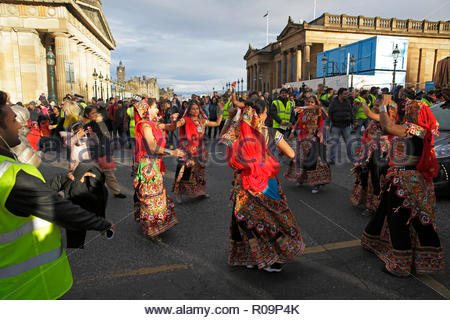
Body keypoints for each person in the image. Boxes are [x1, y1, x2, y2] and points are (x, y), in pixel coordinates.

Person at [0, 90, 114, 299]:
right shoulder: (10, 175)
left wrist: (61, 180)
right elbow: (57, 209)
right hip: (26, 289)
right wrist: (100, 223)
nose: (20, 125)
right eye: (12, 119)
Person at [223, 84, 305, 272]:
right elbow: (291, 154)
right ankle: (273, 258)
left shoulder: (238, 132)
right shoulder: (271, 133)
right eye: (266, 112)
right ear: (259, 115)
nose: (267, 115)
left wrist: (229, 120)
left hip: (244, 184)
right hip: (267, 184)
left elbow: (224, 140)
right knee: (271, 221)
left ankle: (253, 257)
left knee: (247, 221)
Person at [361, 95, 444, 276]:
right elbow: (389, 126)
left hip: (408, 182)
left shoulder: (416, 129)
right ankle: (378, 244)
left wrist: (383, 107)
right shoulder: (414, 128)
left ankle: (401, 265)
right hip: (402, 179)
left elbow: (388, 126)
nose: (408, 112)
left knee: (400, 220)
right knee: (394, 215)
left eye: (411, 110)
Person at [133, 98, 185, 238]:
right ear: (146, 110)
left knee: (156, 194)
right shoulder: (145, 126)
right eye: (155, 107)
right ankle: (150, 227)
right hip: (148, 166)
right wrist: (172, 152)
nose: (158, 110)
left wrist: (175, 120)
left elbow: (170, 127)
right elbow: (152, 147)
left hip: (154, 164)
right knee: (151, 196)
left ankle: (155, 225)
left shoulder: (153, 124)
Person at [350, 95, 397, 216]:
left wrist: (363, 104)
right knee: (366, 175)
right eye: (375, 105)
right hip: (370, 149)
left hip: (381, 150)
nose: (375, 107)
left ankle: (376, 206)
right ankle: (368, 203)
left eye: (378, 105)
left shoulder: (386, 116)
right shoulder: (378, 116)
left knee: (376, 177)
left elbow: (368, 113)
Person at [171, 101, 224, 202]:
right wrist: (174, 120)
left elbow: (217, 123)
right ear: (189, 111)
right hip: (187, 150)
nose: (195, 111)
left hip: (200, 151)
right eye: (193, 109)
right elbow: (175, 126)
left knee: (199, 173)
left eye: (197, 108)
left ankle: (200, 191)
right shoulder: (185, 120)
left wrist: (221, 111)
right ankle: (178, 193)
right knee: (183, 171)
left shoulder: (202, 121)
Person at [285, 97, 331, 193]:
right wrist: (293, 132)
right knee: (300, 159)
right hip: (302, 139)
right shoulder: (304, 112)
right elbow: (298, 122)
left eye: (312, 102)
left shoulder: (318, 111)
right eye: (308, 101)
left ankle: (317, 183)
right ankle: (301, 178)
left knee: (315, 161)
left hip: (314, 139)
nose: (310, 103)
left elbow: (325, 115)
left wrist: (305, 107)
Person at [82, 106, 126, 199]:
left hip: (104, 152)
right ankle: (94, 192)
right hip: (93, 153)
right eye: (92, 113)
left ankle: (116, 192)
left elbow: (107, 136)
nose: (95, 114)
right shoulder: (84, 126)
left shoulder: (100, 123)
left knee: (109, 174)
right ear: (87, 115)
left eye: (95, 113)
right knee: (95, 175)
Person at [327, 88, 354, 165]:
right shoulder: (333, 102)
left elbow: (351, 112)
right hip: (336, 126)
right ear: (340, 94)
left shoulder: (347, 102)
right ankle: (332, 160)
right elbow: (329, 113)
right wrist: (328, 124)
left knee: (348, 142)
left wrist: (353, 122)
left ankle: (352, 158)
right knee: (334, 143)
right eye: (345, 94)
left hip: (346, 126)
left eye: (347, 93)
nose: (346, 95)